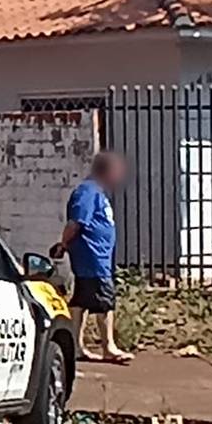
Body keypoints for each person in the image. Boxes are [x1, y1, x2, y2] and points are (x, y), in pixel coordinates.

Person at [51, 151, 133, 364]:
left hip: (95, 258)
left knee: (81, 302)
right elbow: (76, 222)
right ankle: (109, 347)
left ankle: (75, 346)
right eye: (116, 171)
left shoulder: (96, 192)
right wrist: (64, 244)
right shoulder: (87, 192)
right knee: (105, 301)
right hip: (92, 259)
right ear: (105, 171)